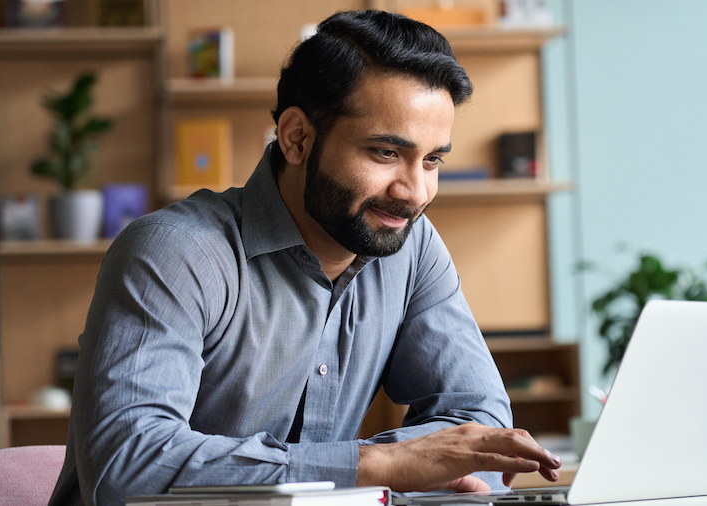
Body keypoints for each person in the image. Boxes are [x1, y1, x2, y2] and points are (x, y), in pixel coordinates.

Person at [48, 10, 561, 506]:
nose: (414, 192)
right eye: (385, 153)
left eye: (432, 160)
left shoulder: (413, 245)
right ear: (297, 138)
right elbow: (126, 468)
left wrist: (395, 467)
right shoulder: (175, 252)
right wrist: (375, 466)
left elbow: (482, 426)